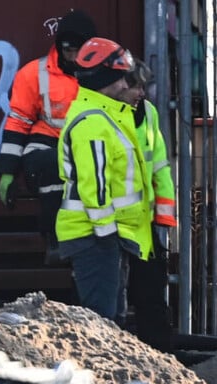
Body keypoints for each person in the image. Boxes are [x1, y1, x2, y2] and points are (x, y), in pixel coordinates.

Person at [56, 38, 153, 322]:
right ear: (105, 80)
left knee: (110, 318)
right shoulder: (93, 123)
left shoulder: (103, 117)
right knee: (102, 320)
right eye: (120, 78)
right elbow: (94, 187)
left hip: (103, 236)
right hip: (96, 236)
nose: (125, 85)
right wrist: (107, 234)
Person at [0, 9, 97, 262]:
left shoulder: (104, 75)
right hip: (46, 144)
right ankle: (54, 237)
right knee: (54, 165)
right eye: (68, 50)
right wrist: (7, 172)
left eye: (79, 50)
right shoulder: (34, 73)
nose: (73, 57)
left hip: (88, 146)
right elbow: (18, 121)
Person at [121, 59, 176, 350]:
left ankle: (159, 351)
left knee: (151, 289)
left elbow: (160, 166)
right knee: (115, 295)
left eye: (144, 86)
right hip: (112, 222)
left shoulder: (149, 113)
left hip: (143, 222)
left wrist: (164, 216)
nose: (141, 92)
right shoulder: (105, 116)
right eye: (136, 86)